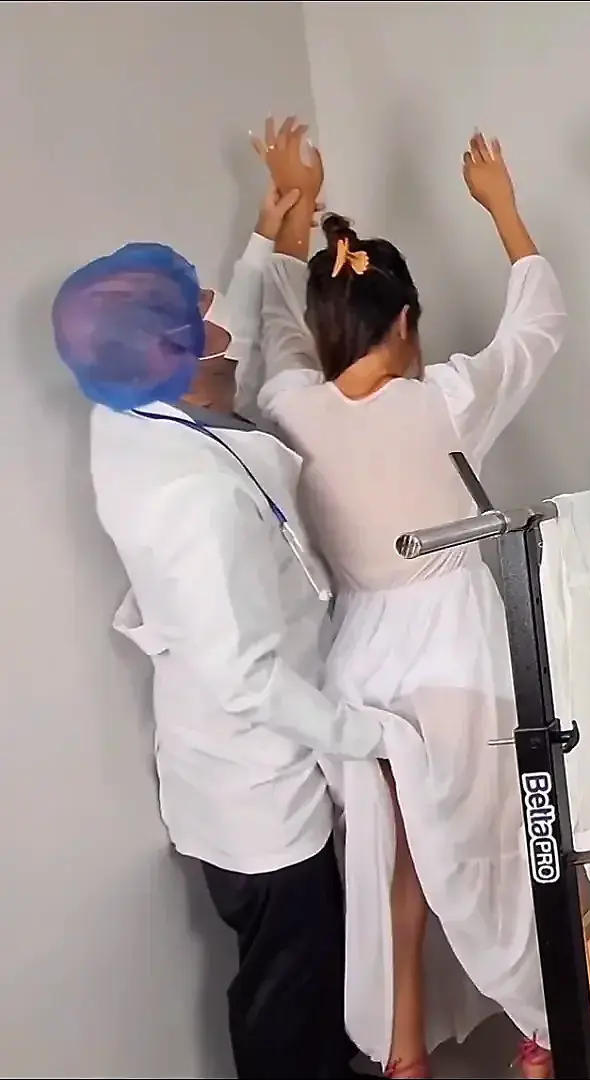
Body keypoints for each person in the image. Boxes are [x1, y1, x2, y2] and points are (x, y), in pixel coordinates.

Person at [60, 182, 401, 1078]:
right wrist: (373, 736)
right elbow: (245, 678)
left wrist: (266, 235)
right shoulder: (190, 498)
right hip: (255, 789)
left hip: (257, 756)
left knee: (313, 975)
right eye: (201, 326)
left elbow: (227, 343)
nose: (224, 331)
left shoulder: (131, 405)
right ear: (173, 361)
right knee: (289, 992)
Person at [250, 121, 563, 1079]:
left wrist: (292, 213)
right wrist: (504, 209)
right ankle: (543, 1030)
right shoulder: (444, 402)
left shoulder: (289, 404)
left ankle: (403, 1055)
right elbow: (538, 330)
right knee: (495, 849)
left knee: (397, 859)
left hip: (358, 665)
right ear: (404, 324)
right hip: (455, 660)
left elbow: (274, 323)